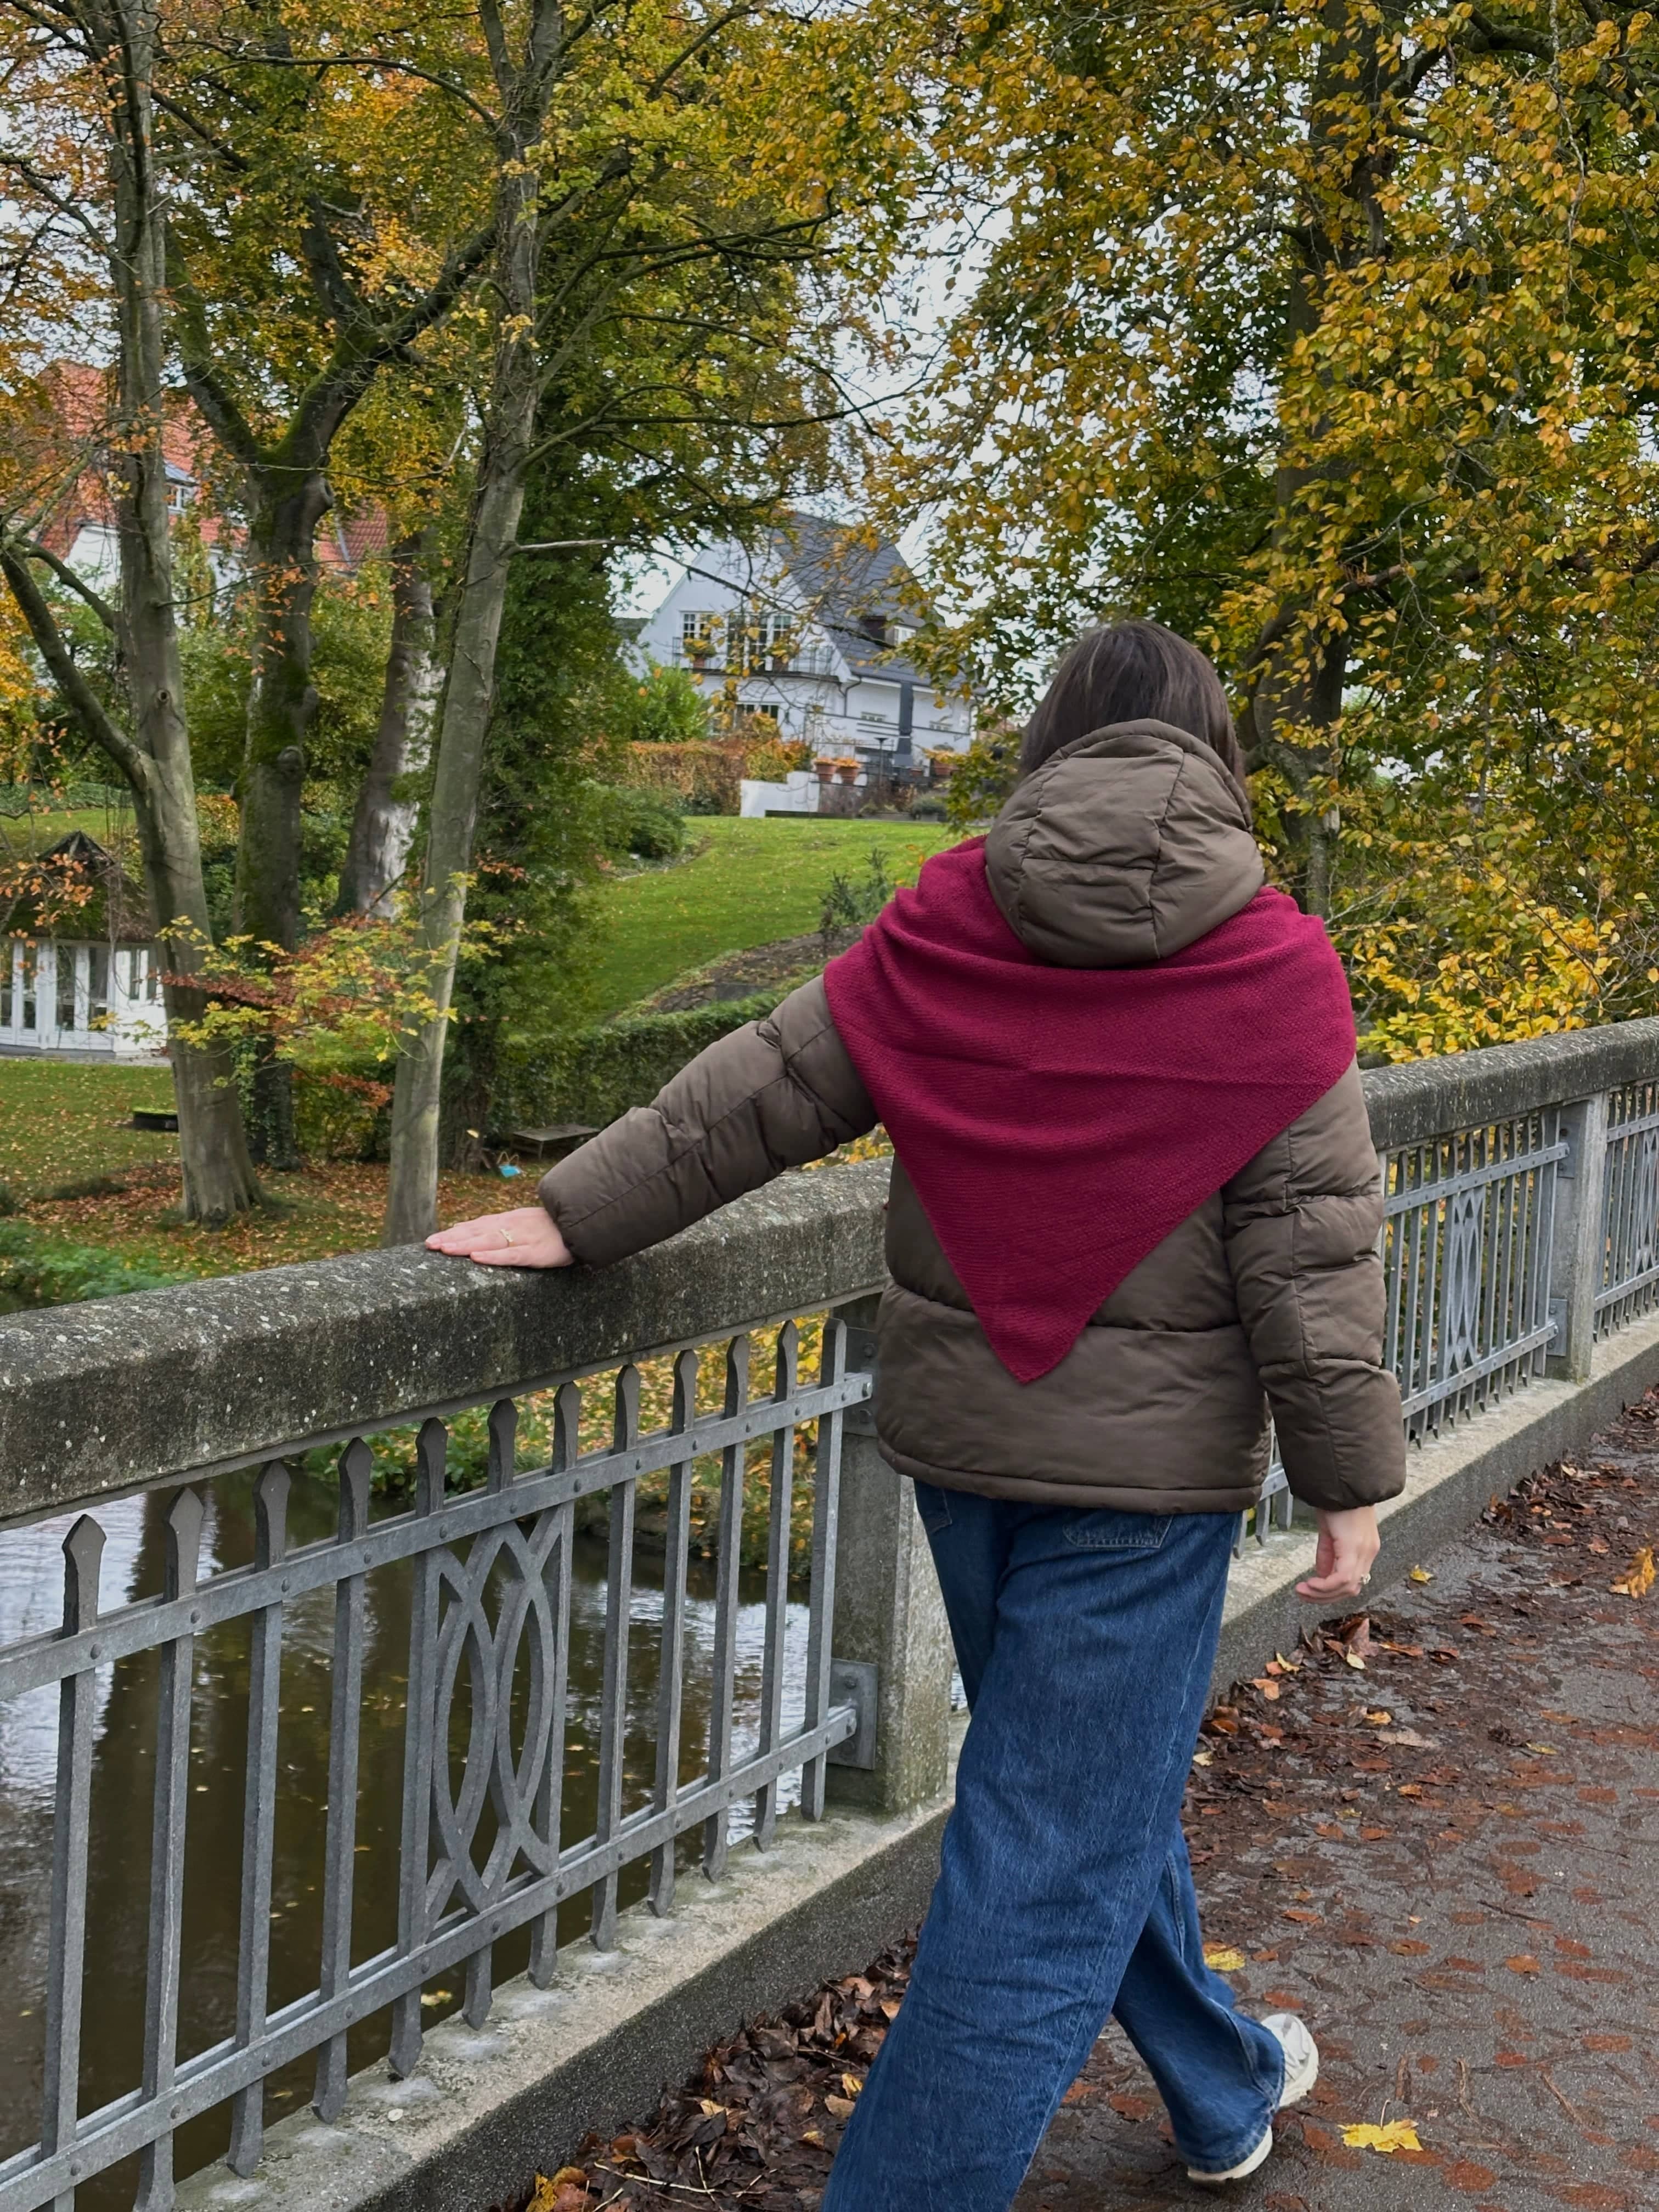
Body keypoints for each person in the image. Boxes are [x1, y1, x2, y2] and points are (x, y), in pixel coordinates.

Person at [429, 617, 1406, 2208]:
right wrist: (1349, 1478)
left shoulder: (952, 914)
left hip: (965, 1452)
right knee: (1044, 1869)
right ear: (1218, 757)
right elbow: (1312, 1253)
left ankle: (1223, 2088)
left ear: (1053, 743)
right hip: (1149, 1491)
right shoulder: (1276, 960)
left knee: (1065, 1798)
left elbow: (763, 1086)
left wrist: (575, 1214)